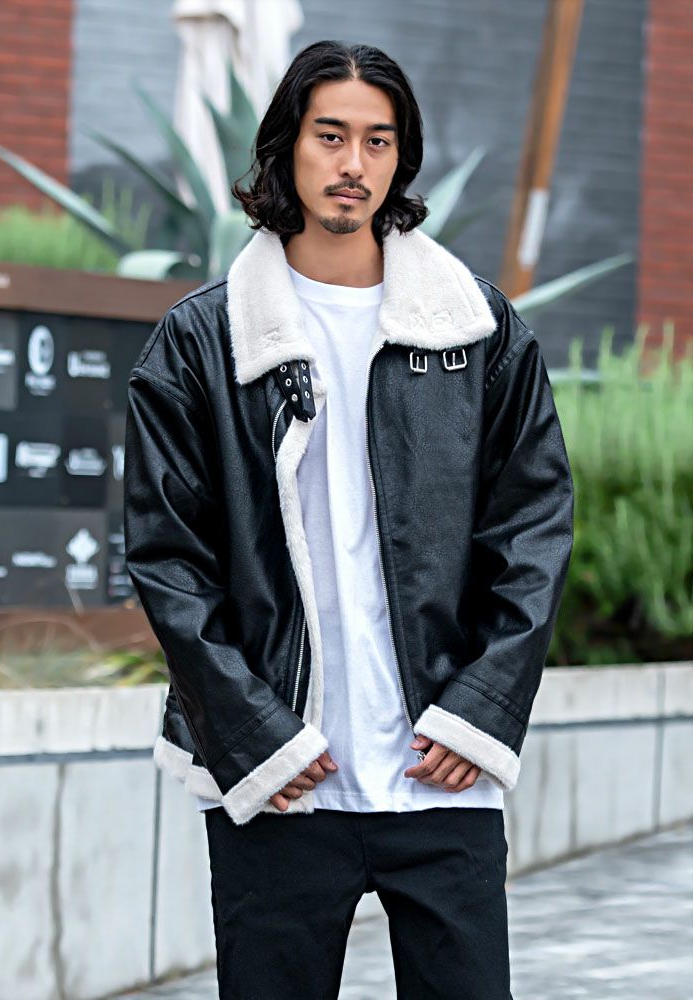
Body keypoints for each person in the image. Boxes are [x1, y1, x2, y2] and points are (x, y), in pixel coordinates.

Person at [123, 39, 574, 1000]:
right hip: (284, 777)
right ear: (287, 146)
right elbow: (167, 558)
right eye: (330, 136)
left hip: (439, 768)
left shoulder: (475, 332)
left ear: (401, 157)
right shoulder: (202, 341)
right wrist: (251, 733)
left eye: (378, 141)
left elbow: (534, 528)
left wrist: (482, 707)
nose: (353, 164)